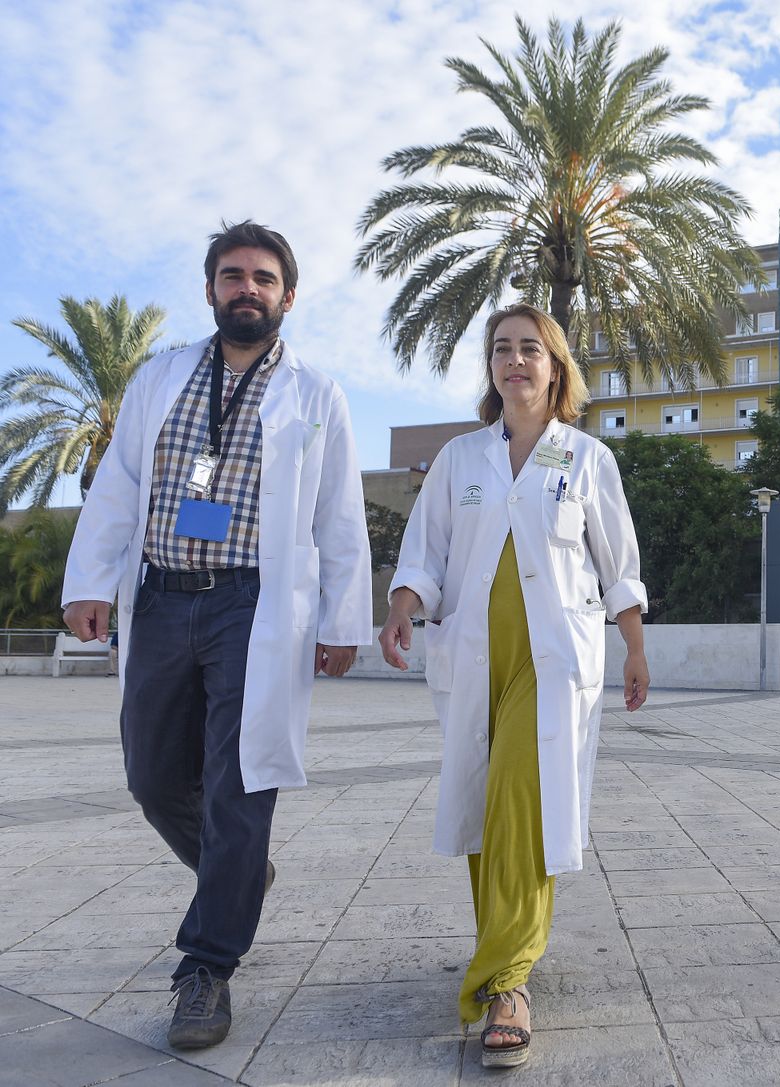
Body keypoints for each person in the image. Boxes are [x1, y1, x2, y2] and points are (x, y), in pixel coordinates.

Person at [60, 221, 371, 1048]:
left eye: (264, 278)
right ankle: (238, 871)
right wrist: (88, 582)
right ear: (210, 290)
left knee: (241, 783)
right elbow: (120, 486)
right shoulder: (160, 379)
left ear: (288, 296)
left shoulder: (316, 394)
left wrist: (343, 620)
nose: (248, 288)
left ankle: (206, 967)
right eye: (233, 275)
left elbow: (340, 516)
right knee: (152, 775)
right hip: (161, 597)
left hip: (253, 606)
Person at [378, 303, 649, 1069]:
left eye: (532, 348)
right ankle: (507, 954)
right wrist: (402, 604)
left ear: (557, 367)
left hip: (552, 661)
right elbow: (424, 552)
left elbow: (617, 564)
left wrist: (633, 647)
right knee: (486, 803)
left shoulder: (587, 458)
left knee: (518, 795)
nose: (516, 360)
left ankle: (507, 980)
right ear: (491, 367)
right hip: (473, 659)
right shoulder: (461, 458)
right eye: (502, 349)